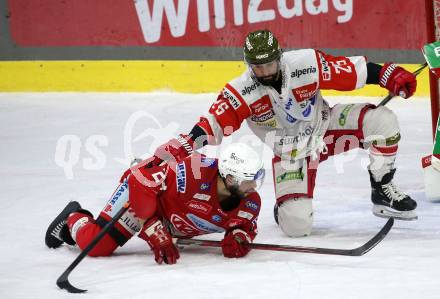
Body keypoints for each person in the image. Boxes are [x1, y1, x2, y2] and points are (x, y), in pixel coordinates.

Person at [149, 29, 418, 238]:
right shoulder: (240, 91)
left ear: (280, 57)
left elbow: (352, 71)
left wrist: (388, 75)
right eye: (257, 66)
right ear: (248, 64)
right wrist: (185, 143)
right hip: (290, 154)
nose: (263, 72)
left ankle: (382, 188)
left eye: (268, 64)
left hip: (327, 128)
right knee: (297, 226)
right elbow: (213, 125)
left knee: (383, 121)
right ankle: (284, 208)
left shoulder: (306, 63)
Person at [45, 143, 265, 264]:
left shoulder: (250, 202)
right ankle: (72, 219)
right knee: (96, 245)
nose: (254, 187)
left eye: (256, 179)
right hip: (144, 196)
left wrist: (239, 238)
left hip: (171, 217)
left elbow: (245, 226)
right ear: (229, 178)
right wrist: (153, 228)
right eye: (248, 181)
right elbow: (140, 182)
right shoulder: (191, 170)